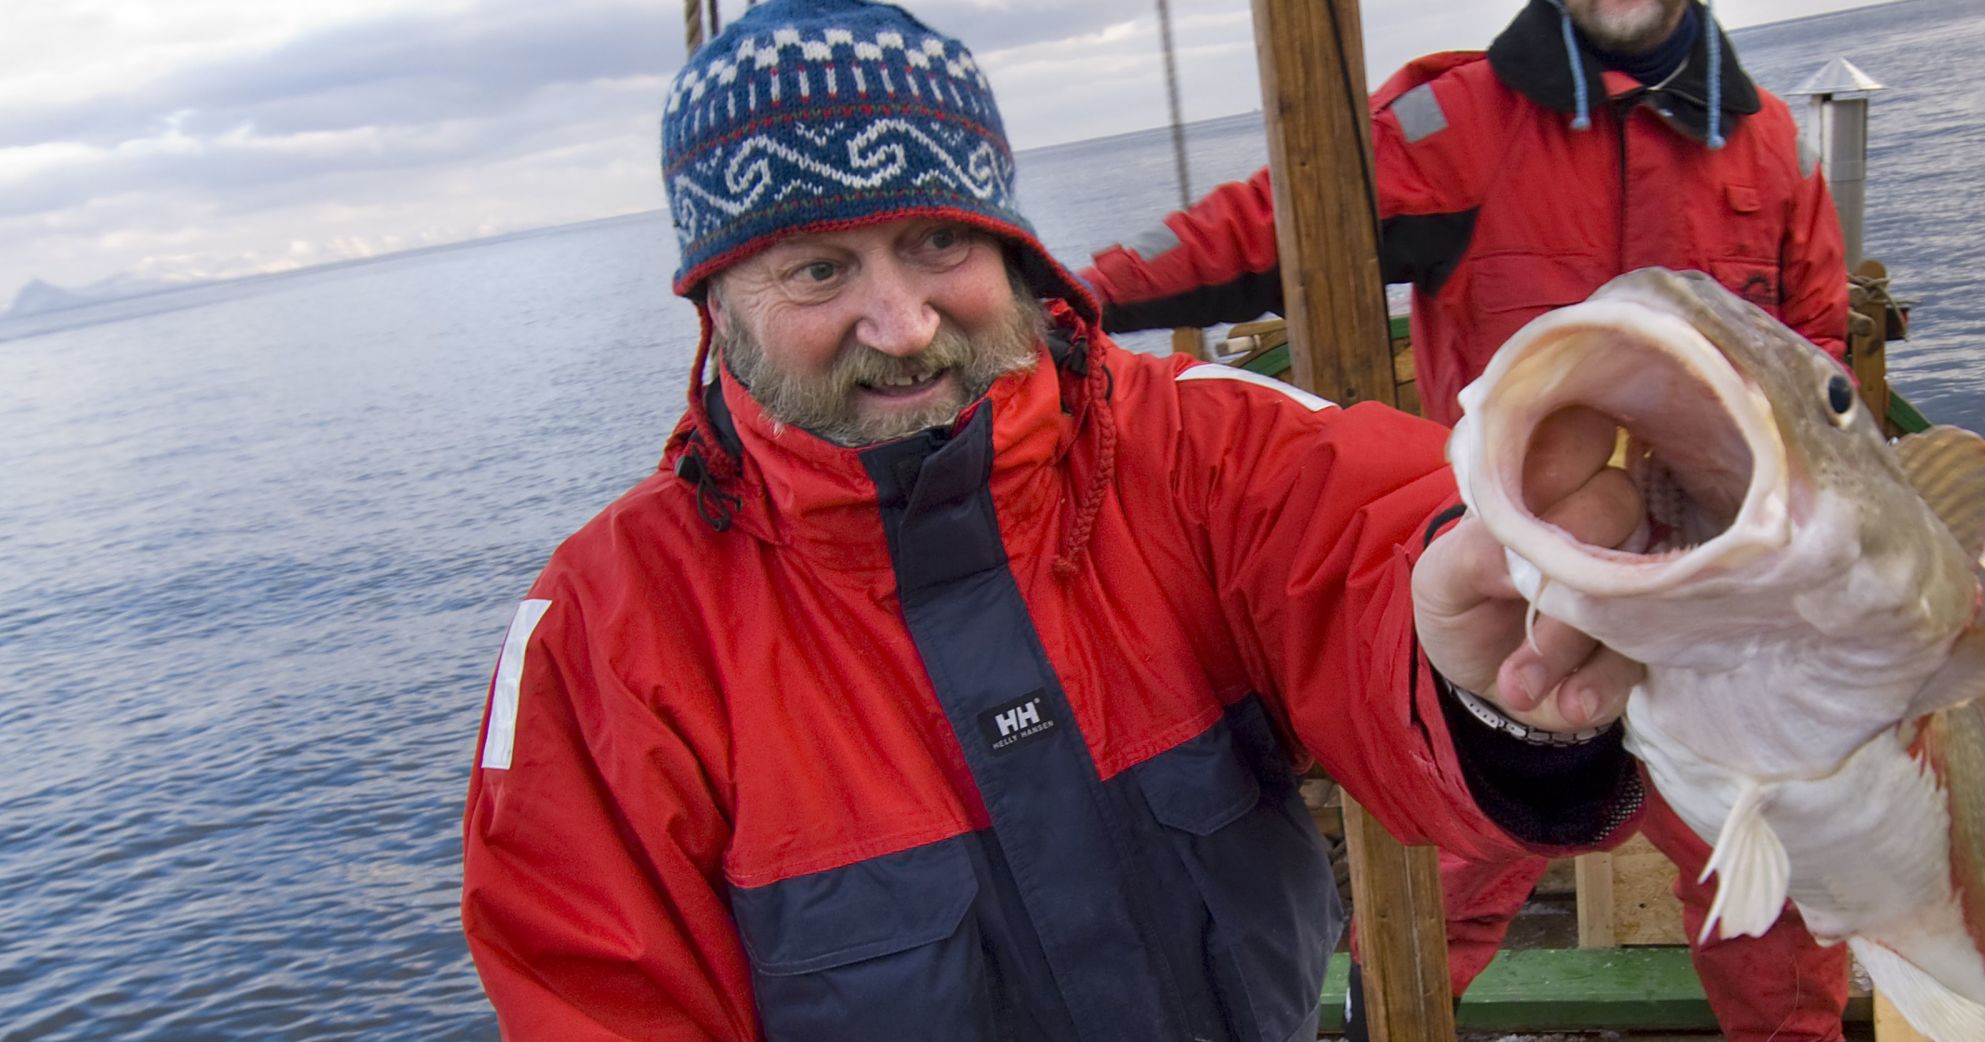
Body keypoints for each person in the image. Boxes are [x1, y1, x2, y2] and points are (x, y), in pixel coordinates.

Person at [457, 1, 1659, 1039]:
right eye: (817, 269)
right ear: (714, 301)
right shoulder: (604, 641)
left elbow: (1376, 544)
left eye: (936, 241)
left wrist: (1487, 681)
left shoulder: (1195, 448)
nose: (903, 322)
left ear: (1006, 242)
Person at [1076, 1, 1853, 1038]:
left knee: (1771, 888)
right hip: (1514, 601)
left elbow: (1820, 358)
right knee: (1444, 875)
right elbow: (1257, 226)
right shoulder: (1458, 122)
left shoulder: (1762, 144)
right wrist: (1064, 293)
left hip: (1717, 611)